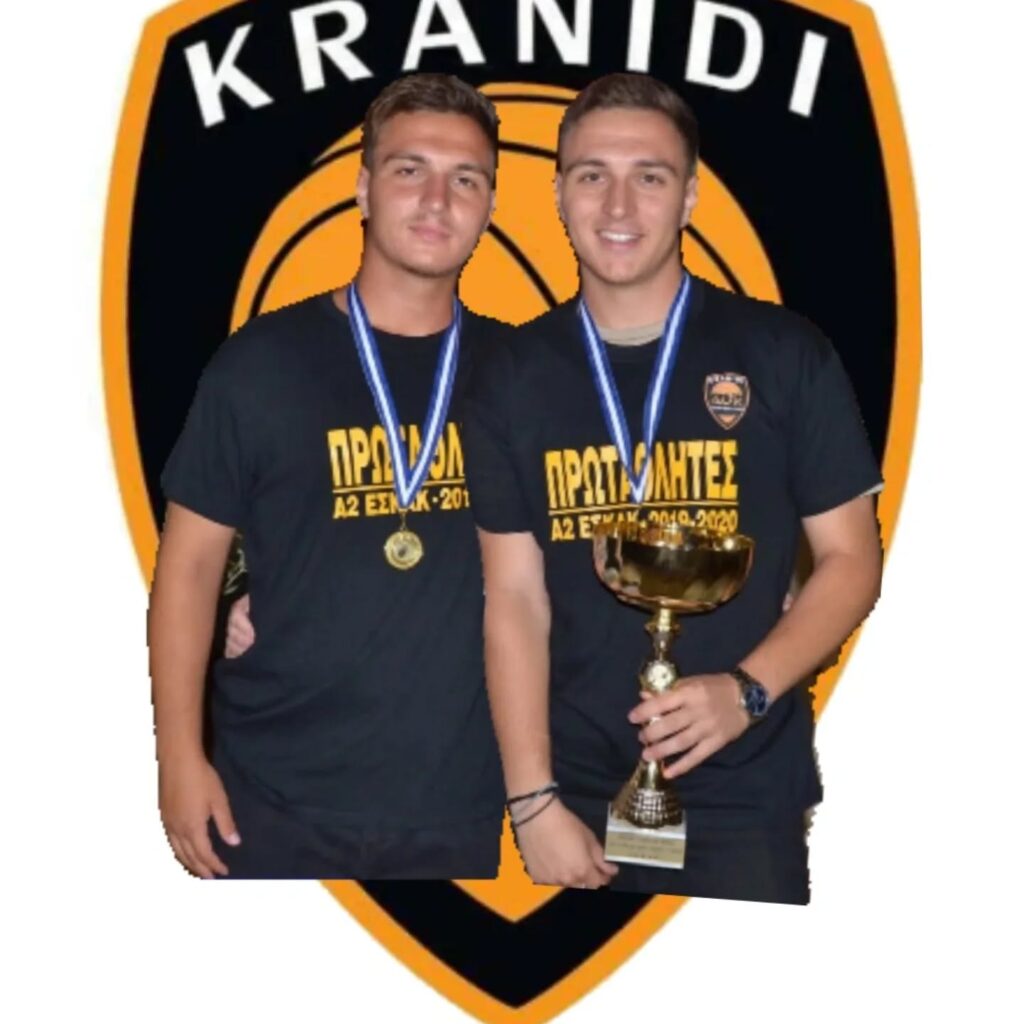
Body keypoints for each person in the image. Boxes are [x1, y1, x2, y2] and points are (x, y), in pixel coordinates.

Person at [460, 73, 883, 902]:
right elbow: (512, 596)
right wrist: (531, 798)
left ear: (689, 197)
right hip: (573, 798)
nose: (618, 206)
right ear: (559, 193)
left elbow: (851, 560)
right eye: (593, 175)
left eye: (649, 177)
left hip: (744, 794)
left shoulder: (785, 354)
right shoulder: (510, 374)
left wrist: (747, 692)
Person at [148, 73, 505, 880]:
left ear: (488, 205)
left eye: (466, 179)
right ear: (364, 188)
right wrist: (178, 756)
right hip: (270, 793)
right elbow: (190, 568)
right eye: (410, 169)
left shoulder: (523, 372)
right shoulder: (258, 365)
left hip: (459, 799)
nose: (437, 200)